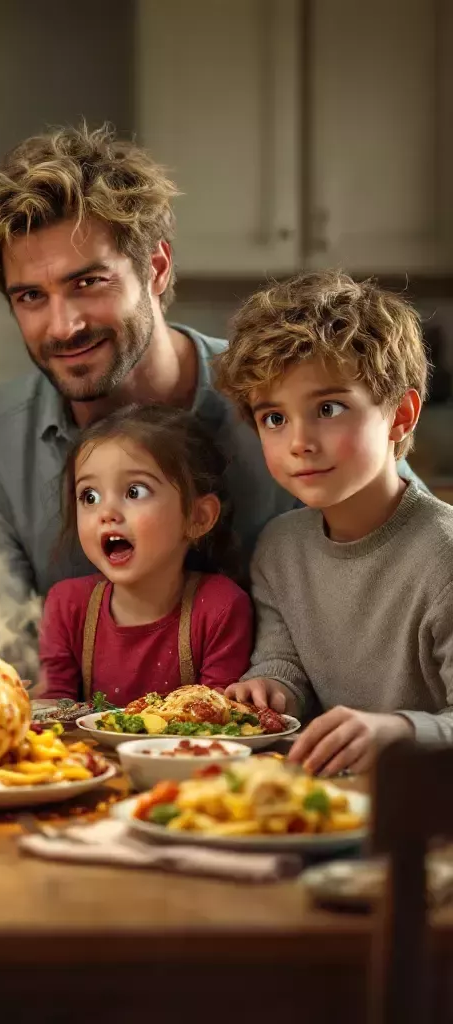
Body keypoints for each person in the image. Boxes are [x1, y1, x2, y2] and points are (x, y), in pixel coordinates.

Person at [0, 125, 421, 672]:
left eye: (89, 283)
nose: (64, 325)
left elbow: (410, 541)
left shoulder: (283, 396)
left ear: (157, 267)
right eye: (30, 297)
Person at [219, 272, 453, 775]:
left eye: (328, 408)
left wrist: (398, 731)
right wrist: (270, 687)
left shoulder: (444, 555)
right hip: (328, 801)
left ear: (401, 416)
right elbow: (285, 664)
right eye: (274, 418)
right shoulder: (279, 548)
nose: (299, 441)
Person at [40, 404, 252, 704]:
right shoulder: (67, 606)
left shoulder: (220, 608)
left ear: (198, 517)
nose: (107, 513)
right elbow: (50, 716)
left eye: (134, 492)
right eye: (90, 496)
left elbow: (218, 722)